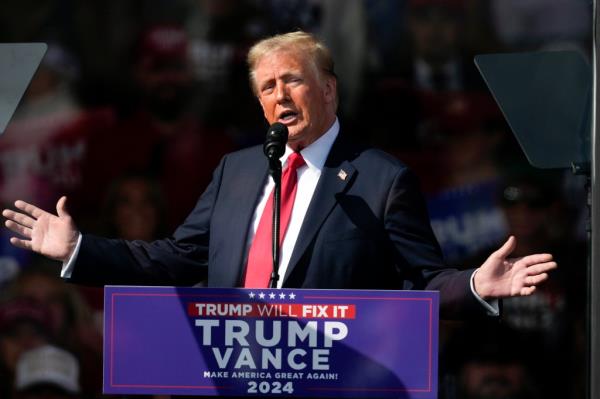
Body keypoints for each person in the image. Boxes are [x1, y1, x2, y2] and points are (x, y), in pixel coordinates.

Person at [2, 31, 556, 320]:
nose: (278, 96)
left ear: (329, 90)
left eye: (291, 80)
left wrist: (476, 286)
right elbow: (175, 258)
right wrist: (79, 248)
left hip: (333, 380)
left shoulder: (382, 179)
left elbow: (421, 280)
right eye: (266, 88)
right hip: (235, 375)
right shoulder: (237, 170)